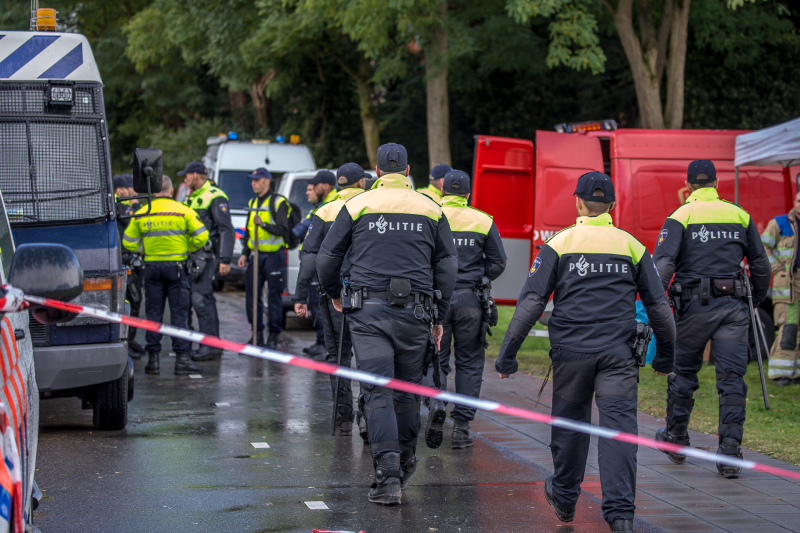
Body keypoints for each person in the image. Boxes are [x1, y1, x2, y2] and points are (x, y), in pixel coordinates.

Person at [495, 171, 676, 533]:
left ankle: (564, 498)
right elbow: (658, 306)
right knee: (619, 431)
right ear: (612, 205)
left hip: (571, 354)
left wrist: (507, 355)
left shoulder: (560, 243)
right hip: (618, 357)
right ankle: (621, 516)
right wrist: (666, 356)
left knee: (570, 428)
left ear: (577, 202)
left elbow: (532, 301)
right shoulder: (631, 245)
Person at [317, 143, 457, 505]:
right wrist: (439, 318)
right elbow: (447, 266)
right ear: (408, 171)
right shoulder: (432, 207)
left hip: (368, 315)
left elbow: (328, 256)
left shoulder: (357, 205)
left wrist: (334, 293)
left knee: (378, 392)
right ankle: (407, 459)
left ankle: (388, 475)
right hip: (416, 314)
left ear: (376, 173)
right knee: (407, 390)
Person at [653, 159, 771, 478]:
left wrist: (655, 306)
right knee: (732, 378)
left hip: (692, 310)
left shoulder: (681, 216)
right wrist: (755, 300)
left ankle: (676, 438)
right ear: (717, 184)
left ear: (689, 186)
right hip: (733, 309)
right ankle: (730, 450)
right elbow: (760, 264)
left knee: (683, 374)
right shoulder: (739, 214)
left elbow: (662, 266)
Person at [423, 169, 507, 450]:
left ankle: (437, 405)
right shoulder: (483, 220)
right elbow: (498, 262)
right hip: (471, 301)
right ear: (468, 194)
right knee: (470, 362)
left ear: (443, 190)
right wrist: (476, 277)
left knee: (437, 359)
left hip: (437, 301)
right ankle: (462, 426)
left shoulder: (431, 214)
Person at [294, 163, 367, 435]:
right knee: (368, 356)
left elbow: (309, 255)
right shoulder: (369, 206)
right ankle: (367, 415)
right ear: (361, 183)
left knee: (337, 354)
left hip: (334, 292)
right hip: (369, 293)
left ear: (338, 184)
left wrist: (301, 294)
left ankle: (343, 416)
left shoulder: (324, 211)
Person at [123, 175, 209, 375]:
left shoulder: (142, 213)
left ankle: (153, 361)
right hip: (177, 268)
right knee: (180, 314)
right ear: (171, 191)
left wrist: (143, 249)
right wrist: (188, 247)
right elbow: (202, 236)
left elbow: (128, 242)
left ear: (153, 193)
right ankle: (182, 360)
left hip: (151, 268)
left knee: (153, 315)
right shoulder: (184, 212)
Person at [179, 161, 234, 361]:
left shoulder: (215, 196)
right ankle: (198, 343)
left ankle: (211, 345)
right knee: (193, 301)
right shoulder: (193, 197)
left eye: (186, 176)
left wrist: (225, 259)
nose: (184, 179)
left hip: (205, 257)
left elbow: (226, 229)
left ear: (195, 175)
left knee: (202, 301)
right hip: (191, 257)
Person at [237, 168, 292, 350]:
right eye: (252, 180)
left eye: (256, 180)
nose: (253, 183)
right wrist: (245, 253)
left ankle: (273, 337)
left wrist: (264, 224)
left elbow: (284, 230)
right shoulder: (253, 202)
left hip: (274, 256)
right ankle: (257, 335)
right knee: (252, 297)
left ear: (266, 182)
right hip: (256, 256)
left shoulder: (278, 202)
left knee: (274, 297)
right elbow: (248, 232)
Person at [761, 190, 800, 386]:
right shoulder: (780, 223)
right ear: (794, 202)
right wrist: (776, 267)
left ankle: (796, 372)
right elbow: (762, 246)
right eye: (799, 201)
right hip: (789, 284)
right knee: (789, 326)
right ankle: (781, 374)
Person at [298, 170, 338, 358]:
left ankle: (325, 344)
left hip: (322, 264)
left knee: (324, 307)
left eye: (315, 185)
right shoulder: (322, 205)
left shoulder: (328, 206)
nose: (311, 189)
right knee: (319, 307)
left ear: (326, 186)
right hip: (321, 263)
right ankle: (322, 342)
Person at [113, 174, 145, 359]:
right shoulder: (120, 205)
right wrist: (134, 203)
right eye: (130, 187)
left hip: (131, 260)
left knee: (134, 301)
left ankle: (130, 341)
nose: (134, 190)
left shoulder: (122, 204)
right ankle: (126, 342)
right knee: (130, 301)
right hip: (125, 261)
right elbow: (138, 220)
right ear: (120, 190)